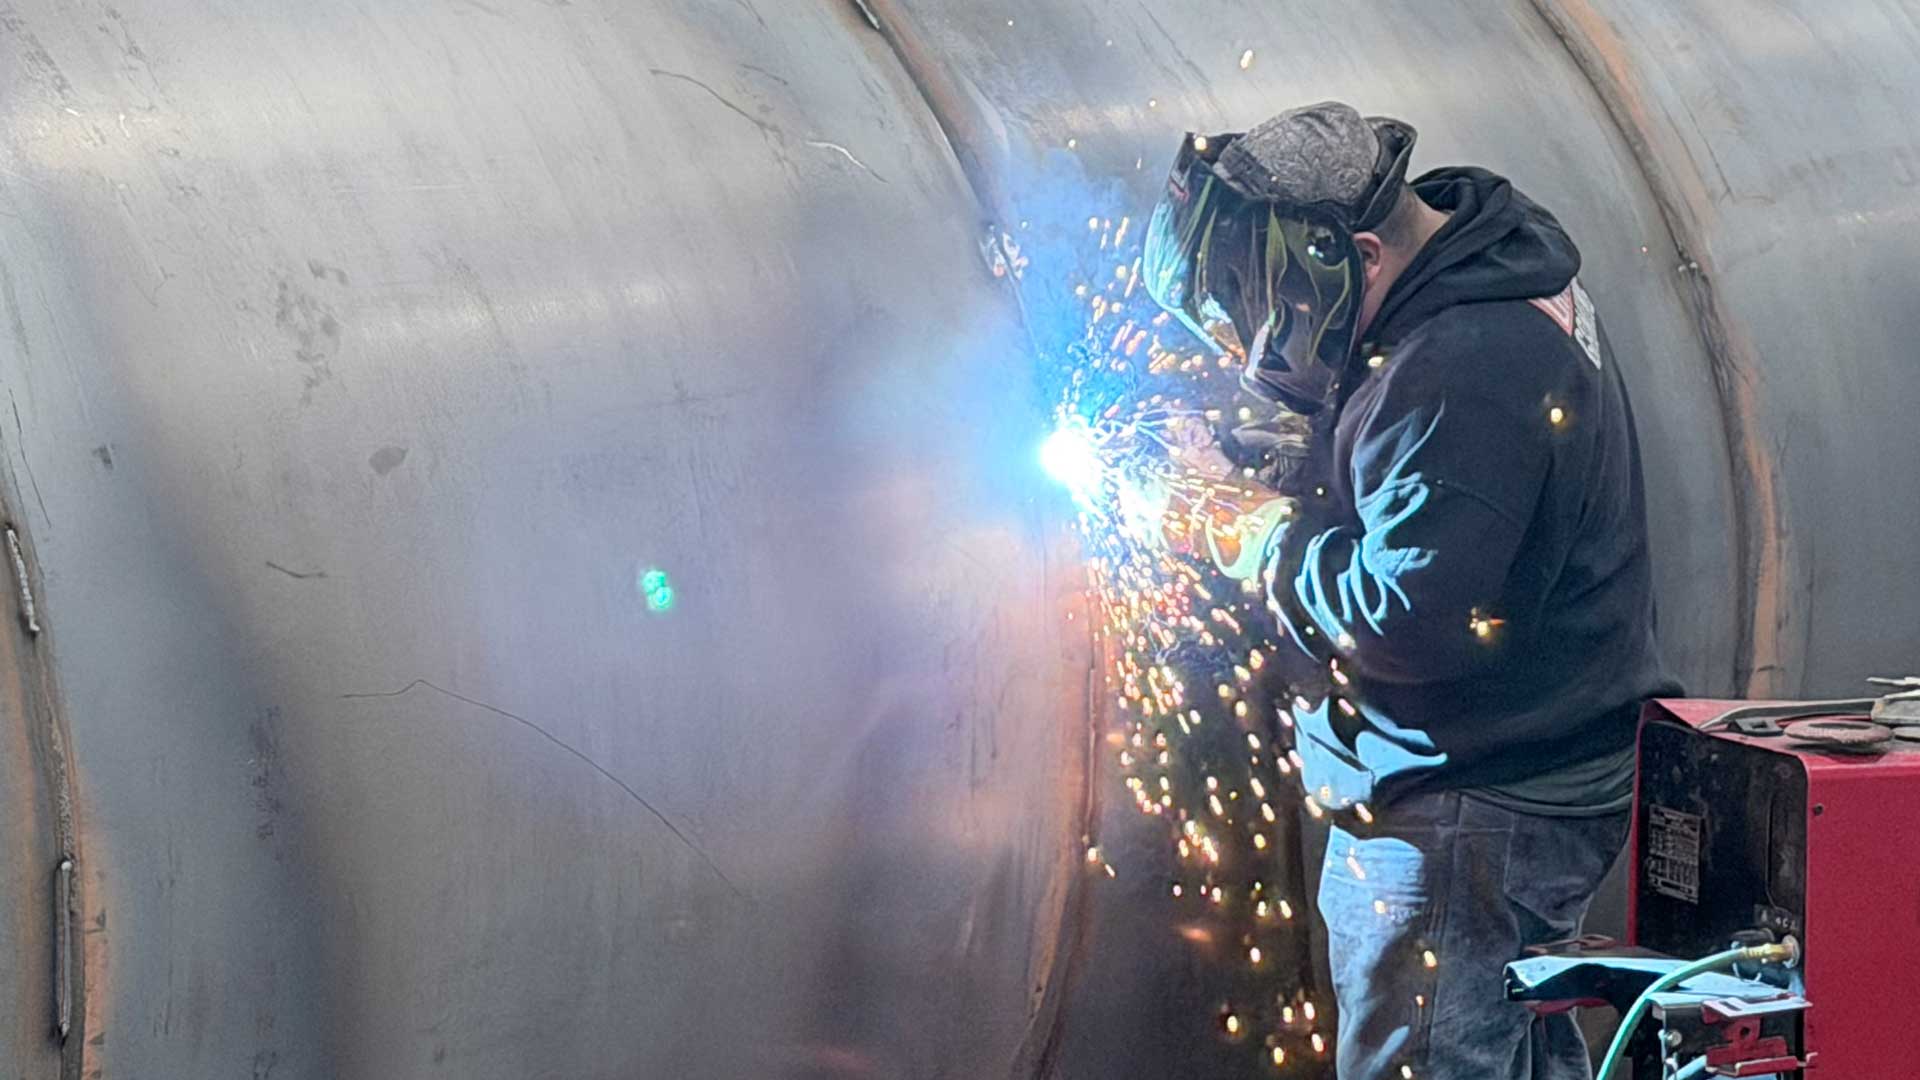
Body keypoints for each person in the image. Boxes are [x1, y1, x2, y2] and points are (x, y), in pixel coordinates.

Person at [1140, 101, 1682, 1079]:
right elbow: (1439, 487)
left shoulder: (1466, 364)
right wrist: (1282, 465)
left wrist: (1247, 529)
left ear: (1357, 256)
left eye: (1273, 310)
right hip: (1515, 767)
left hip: (1473, 803)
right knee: (1502, 1050)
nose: (1263, 344)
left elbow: (1411, 616)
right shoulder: (1466, 273)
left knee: (1428, 1062)